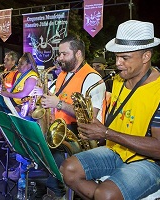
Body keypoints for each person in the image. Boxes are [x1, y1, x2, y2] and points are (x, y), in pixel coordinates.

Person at [60, 20, 160, 200]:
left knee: (105, 194)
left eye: (125, 58)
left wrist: (105, 132)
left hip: (154, 163)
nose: (118, 63)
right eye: (117, 56)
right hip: (119, 151)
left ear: (146, 56)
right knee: (68, 170)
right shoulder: (120, 82)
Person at [33, 35, 106, 199]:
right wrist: (45, 95)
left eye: (64, 54)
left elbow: (90, 116)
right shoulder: (63, 75)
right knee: (40, 145)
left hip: (80, 135)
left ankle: (57, 190)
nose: (59, 58)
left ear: (78, 54)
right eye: (59, 54)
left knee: (51, 153)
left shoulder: (92, 78)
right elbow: (59, 97)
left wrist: (58, 104)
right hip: (61, 129)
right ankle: (50, 188)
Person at [0, 52, 39, 181]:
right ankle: (20, 165)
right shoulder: (23, 75)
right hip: (18, 107)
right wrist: (3, 92)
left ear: (28, 65)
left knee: (20, 135)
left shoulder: (32, 77)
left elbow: (24, 94)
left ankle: (22, 170)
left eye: (21, 63)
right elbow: (15, 91)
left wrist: (8, 95)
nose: (19, 65)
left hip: (26, 111)